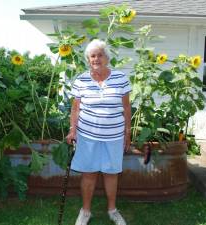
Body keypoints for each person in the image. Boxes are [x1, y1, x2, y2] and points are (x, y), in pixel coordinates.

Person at [66, 39, 131, 225]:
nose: (96, 59)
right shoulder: (81, 80)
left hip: (114, 135)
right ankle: (85, 212)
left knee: (111, 173)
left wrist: (128, 132)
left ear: (107, 57)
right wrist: (73, 130)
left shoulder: (120, 78)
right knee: (89, 173)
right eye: (92, 56)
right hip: (87, 136)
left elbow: (126, 107)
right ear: (88, 59)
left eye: (100, 55)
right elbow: (75, 109)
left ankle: (112, 210)